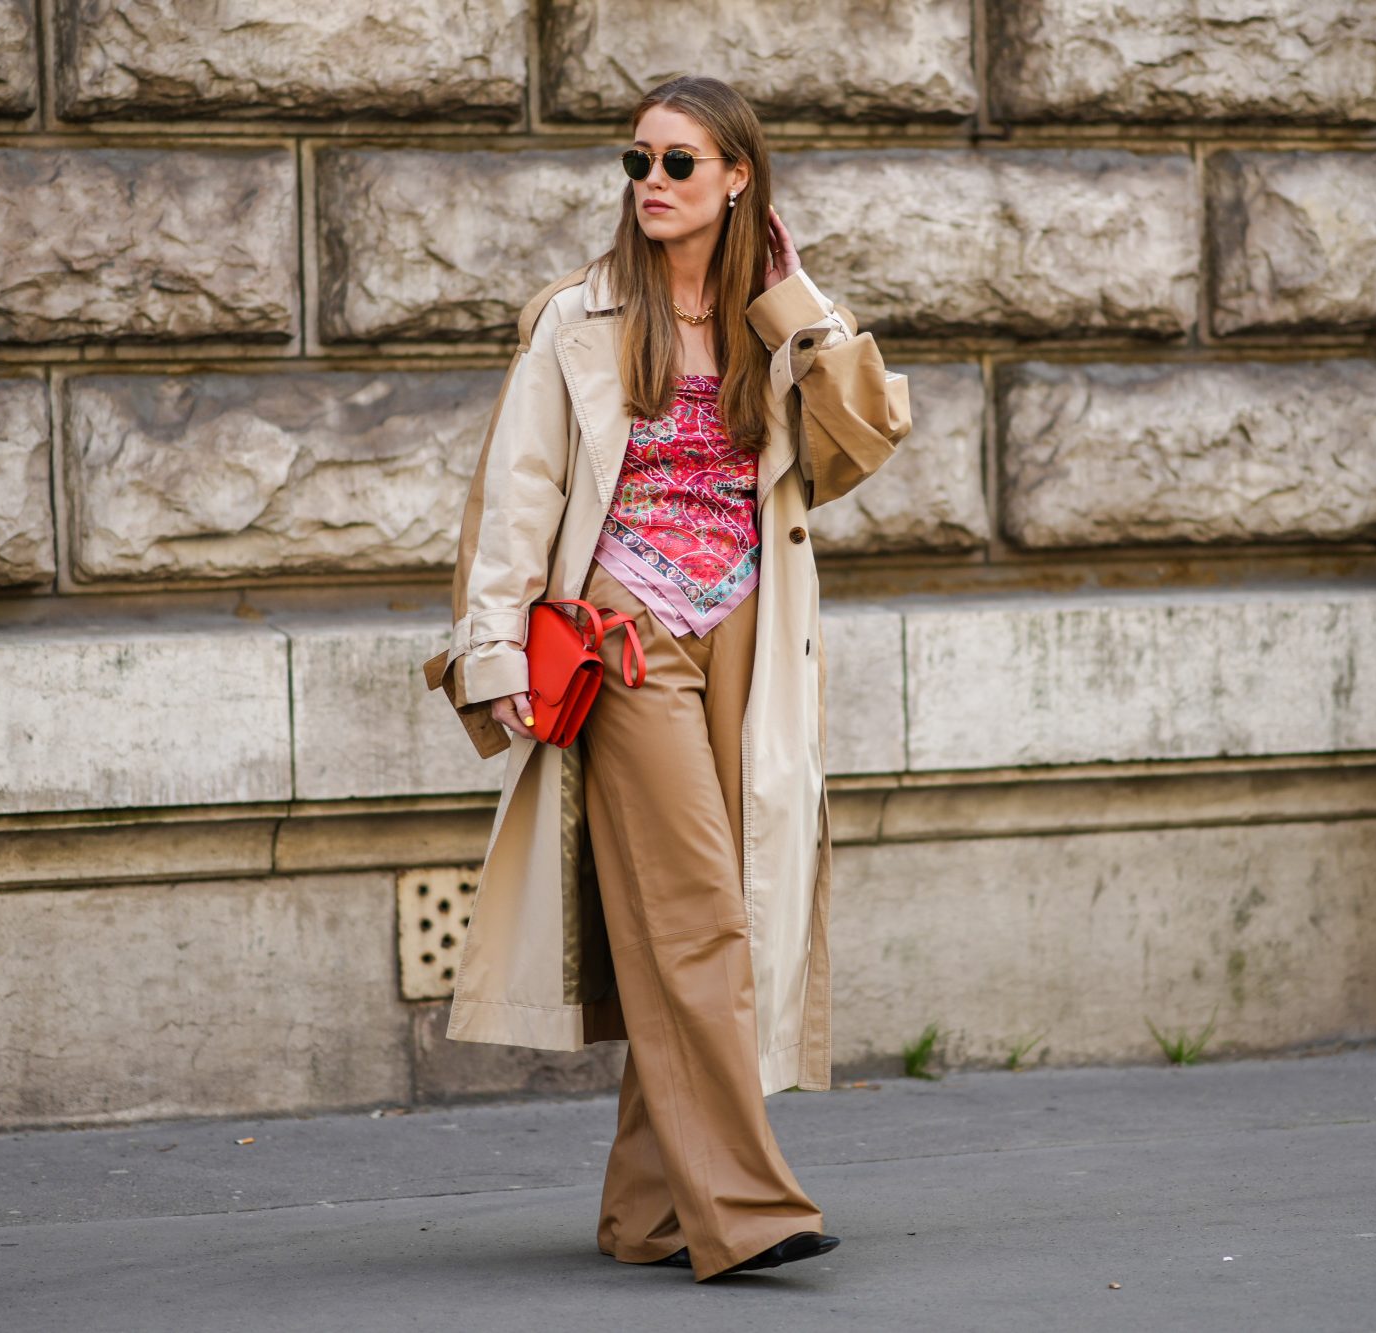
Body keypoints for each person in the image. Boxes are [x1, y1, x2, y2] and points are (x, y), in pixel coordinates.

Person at [421, 74, 911, 1282]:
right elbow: (515, 495)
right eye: (636, 162)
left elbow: (866, 438)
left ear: (737, 178)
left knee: (711, 905)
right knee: (697, 908)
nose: (651, 184)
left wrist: (793, 299)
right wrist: (490, 655)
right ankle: (744, 1208)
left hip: (747, 629)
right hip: (624, 631)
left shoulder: (775, 322)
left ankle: (645, 1211)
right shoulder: (577, 318)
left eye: (678, 164)